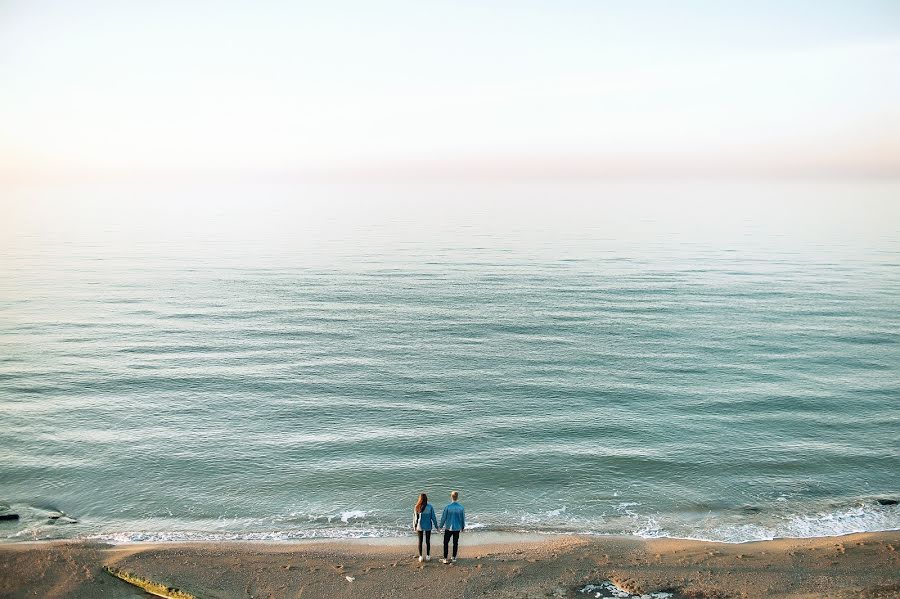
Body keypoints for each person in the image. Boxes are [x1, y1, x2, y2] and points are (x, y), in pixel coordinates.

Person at [439, 490, 465, 564]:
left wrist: (440, 526)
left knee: (446, 542)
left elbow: (443, 518)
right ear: (457, 497)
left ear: (451, 497)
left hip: (448, 527)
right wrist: (462, 526)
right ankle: (454, 557)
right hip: (457, 528)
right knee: (455, 542)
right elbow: (462, 518)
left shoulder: (447, 507)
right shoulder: (461, 508)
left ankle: (445, 558)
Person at [413, 492, 438, 562]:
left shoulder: (416, 506)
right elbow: (433, 517)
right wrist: (436, 526)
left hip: (419, 526)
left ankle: (420, 556)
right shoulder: (430, 507)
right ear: (426, 499)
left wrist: (414, 526)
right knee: (428, 541)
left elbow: (415, 518)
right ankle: (428, 556)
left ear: (419, 499)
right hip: (428, 525)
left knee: (420, 541)